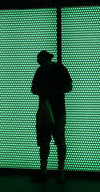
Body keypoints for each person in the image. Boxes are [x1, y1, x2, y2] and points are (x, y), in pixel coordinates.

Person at [31, 49, 72, 183]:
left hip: (44, 111)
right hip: (58, 110)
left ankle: (44, 171)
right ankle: (61, 172)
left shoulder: (40, 71)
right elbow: (69, 86)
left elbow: (33, 89)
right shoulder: (60, 68)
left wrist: (46, 92)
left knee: (44, 142)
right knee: (59, 140)